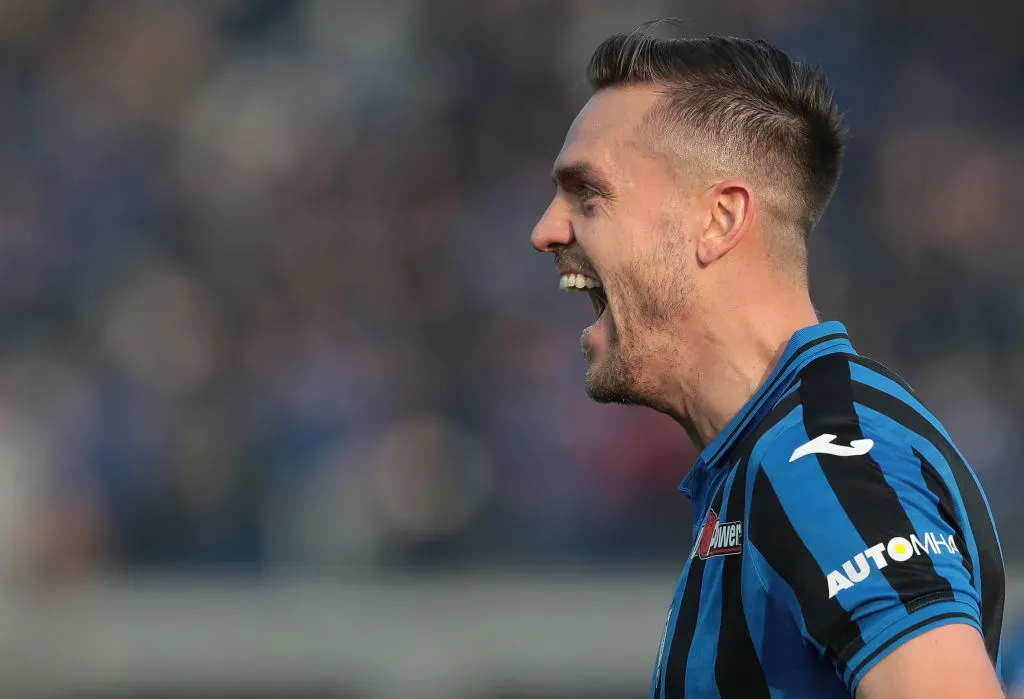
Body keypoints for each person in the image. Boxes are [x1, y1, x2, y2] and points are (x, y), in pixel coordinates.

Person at [530, 27, 1006, 699]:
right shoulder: (763, 461)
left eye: (588, 194)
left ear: (719, 219)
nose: (545, 229)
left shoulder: (823, 457)